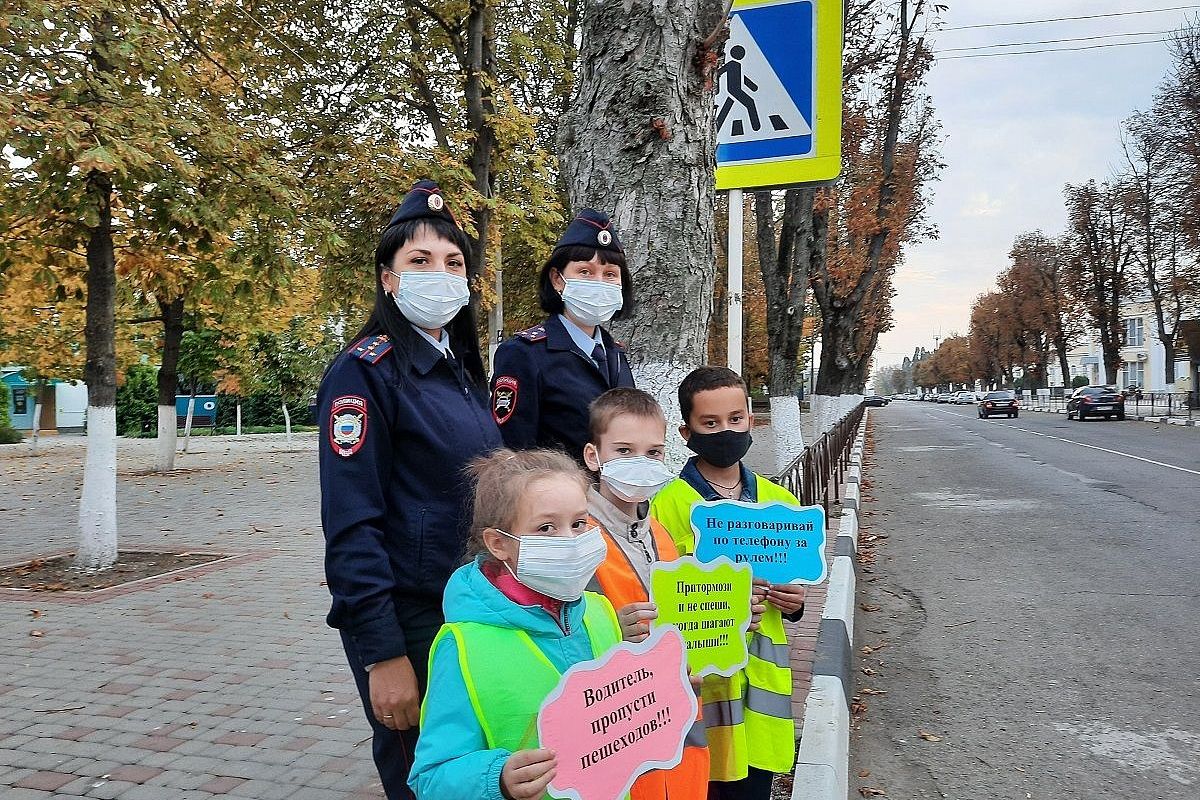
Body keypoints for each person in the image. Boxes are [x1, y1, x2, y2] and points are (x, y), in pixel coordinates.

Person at [317, 180, 502, 800]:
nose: (440, 274)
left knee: (472, 767)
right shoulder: (363, 373)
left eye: (454, 263)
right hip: (410, 616)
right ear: (388, 278)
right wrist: (381, 653)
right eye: (419, 260)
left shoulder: (465, 371)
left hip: (471, 602)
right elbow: (351, 524)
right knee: (423, 778)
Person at [409, 448, 621, 800]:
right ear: (499, 544)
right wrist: (497, 779)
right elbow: (430, 778)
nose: (570, 540)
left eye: (579, 523)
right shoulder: (464, 646)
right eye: (546, 527)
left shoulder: (600, 612)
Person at [649, 366, 806, 800]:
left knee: (753, 790)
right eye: (710, 423)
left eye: (735, 419)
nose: (725, 431)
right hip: (704, 689)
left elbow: (793, 593)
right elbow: (657, 593)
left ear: (751, 420)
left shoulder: (781, 504)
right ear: (686, 431)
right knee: (704, 787)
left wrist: (795, 602)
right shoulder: (668, 505)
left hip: (761, 689)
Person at [581, 388, 713, 800]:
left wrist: (726, 618)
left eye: (653, 452)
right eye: (624, 450)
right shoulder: (576, 537)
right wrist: (610, 631)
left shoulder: (658, 533)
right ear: (593, 457)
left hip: (677, 718)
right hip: (619, 725)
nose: (640, 464)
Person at [491, 209, 635, 457]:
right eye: (585, 272)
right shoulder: (524, 354)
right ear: (557, 280)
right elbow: (513, 451)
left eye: (610, 274)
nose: (599, 282)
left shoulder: (614, 354)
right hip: (553, 492)